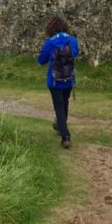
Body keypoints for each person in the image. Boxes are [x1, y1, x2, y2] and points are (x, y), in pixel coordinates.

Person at [37, 16, 79, 149]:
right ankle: (61, 126)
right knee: (64, 103)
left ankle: (65, 136)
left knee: (58, 107)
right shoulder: (72, 40)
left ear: (50, 28)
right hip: (69, 80)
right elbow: (75, 53)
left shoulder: (50, 42)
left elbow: (41, 60)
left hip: (54, 81)